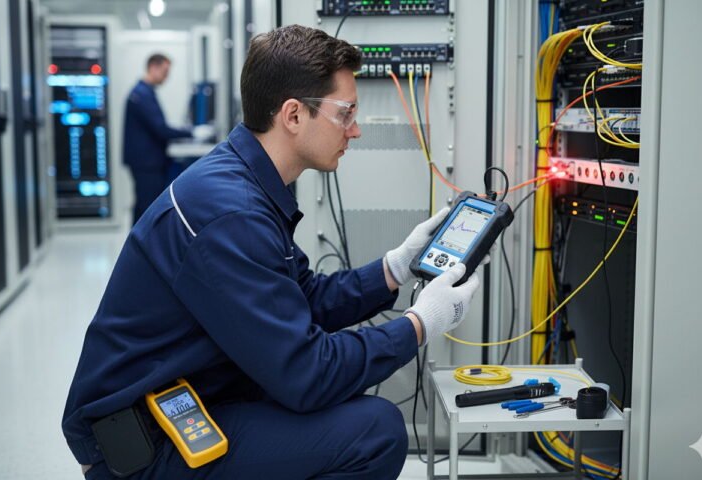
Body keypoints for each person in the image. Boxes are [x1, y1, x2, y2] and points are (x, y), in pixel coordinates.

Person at [63, 25, 482, 479]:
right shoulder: (232, 213)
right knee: (375, 431)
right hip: (144, 444)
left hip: (188, 399)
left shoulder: (244, 181)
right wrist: (420, 324)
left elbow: (301, 297)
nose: (356, 130)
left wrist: (394, 268)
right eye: (346, 114)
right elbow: (308, 375)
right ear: (293, 115)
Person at [123, 53, 211, 224]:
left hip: (145, 161)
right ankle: (141, 246)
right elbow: (160, 128)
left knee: (144, 204)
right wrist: (192, 132)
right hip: (146, 163)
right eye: (164, 71)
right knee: (146, 207)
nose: (166, 77)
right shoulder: (142, 94)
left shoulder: (143, 92)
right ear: (153, 67)